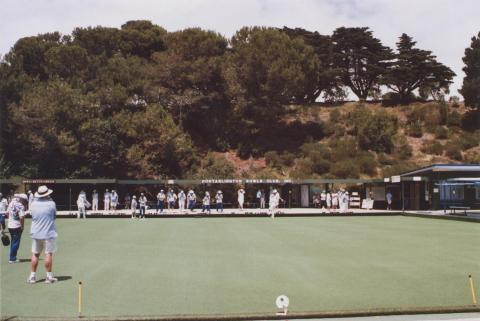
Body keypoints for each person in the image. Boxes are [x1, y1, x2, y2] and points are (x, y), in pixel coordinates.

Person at [27, 186, 58, 284]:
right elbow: (54, 217)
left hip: (36, 232)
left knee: (35, 254)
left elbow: (32, 215)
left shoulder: (33, 204)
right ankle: (48, 277)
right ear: (47, 194)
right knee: (48, 253)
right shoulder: (52, 204)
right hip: (48, 233)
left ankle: (32, 276)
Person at [6, 193, 28, 263]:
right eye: (25, 201)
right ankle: (12, 258)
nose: (25, 203)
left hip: (10, 225)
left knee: (13, 241)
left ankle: (12, 257)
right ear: (23, 199)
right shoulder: (21, 206)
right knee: (16, 243)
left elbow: (7, 213)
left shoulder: (11, 202)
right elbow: (21, 217)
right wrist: (22, 226)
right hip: (17, 226)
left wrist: (11, 219)